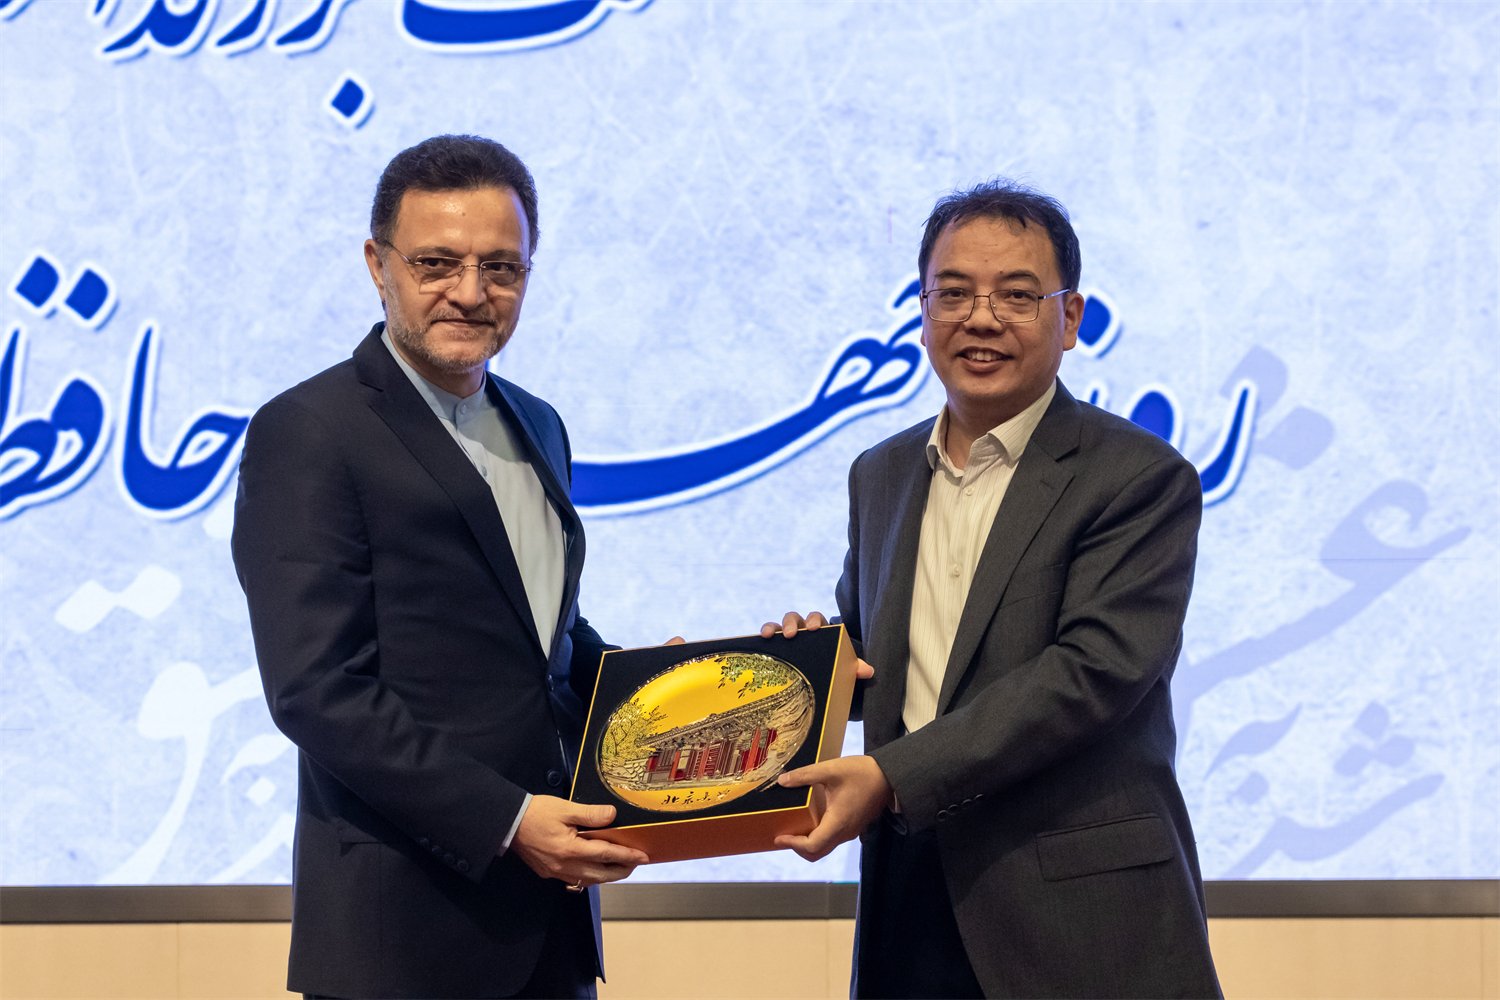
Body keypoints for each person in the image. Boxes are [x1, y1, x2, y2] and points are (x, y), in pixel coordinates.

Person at [765, 180, 1222, 998]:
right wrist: (807, 671)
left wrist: (892, 775)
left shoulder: (1139, 477)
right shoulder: (881, 472)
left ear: (1070, 318)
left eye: (1016, 295)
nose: (981, 319)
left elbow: (1091, 674)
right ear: (922, 311)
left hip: (1077, 913)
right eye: (953, 293)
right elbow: (887, 659)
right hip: (911, 893)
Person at [231, 134, 650, 1000]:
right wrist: (509, 820)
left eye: (501, 267)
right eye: (436, 263)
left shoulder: (539, 423)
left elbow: (545, 644)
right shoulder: (309, 431)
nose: (470, 291)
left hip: (551, 929)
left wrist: (684, 693)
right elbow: (316, 690)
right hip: (400, 941)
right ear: (377, 265)